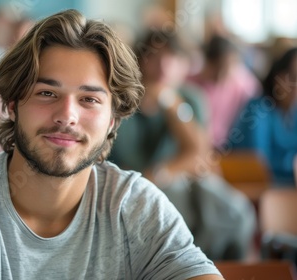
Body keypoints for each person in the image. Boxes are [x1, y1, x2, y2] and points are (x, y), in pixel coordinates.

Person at [0, 10, 222, 279]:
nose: (67, 116)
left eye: (89, 99)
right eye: (47, 93)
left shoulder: (136, 206)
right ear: (13, 104)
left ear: (112, 120)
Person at [109, 30, 256, 261]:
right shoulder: (123, 101)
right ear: (139, 60)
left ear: (185, 65)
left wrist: (169, 102)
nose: (164, 67)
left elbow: (199, 152)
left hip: (179, 183)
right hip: (131, 188)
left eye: (174, 58)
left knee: (236, 212)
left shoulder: (190, 98)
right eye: (155, 57)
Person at [229, 47, 297, 187]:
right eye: (294, 77)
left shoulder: (293, 111)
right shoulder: (258, 111)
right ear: (279, 79)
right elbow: (258, 165)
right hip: (254, 188)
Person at [189, 35, 260, 150]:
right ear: (207, 62)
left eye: (227, 68)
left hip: (229, 149)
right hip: (197, 147)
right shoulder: (190, 85)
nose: (221, 75)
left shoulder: (241, 85)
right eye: (217, 68)